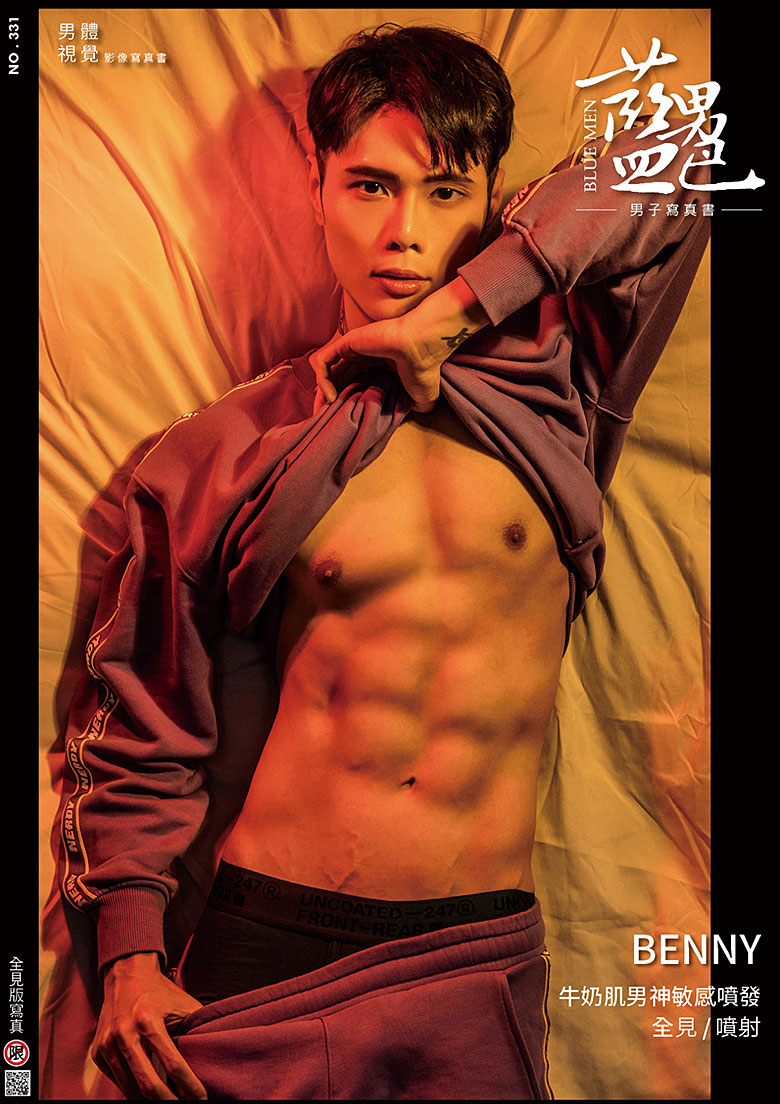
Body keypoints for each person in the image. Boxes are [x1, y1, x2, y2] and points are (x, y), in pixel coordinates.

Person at [56, 23, 710, 1101]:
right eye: (368, 186)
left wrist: (454, 316)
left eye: (444, 192)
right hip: (266, 944)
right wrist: (129, 955)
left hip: (475, 957)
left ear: (494, 204)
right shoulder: (226, 451)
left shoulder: (562, 382)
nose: (403, 231)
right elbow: (140, 725)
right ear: (315, 189)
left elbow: (687, 154)